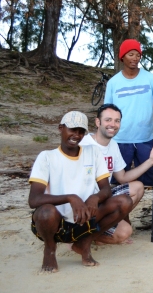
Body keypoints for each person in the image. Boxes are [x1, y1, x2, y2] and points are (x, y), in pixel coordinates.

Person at [28, 111, 133, 273]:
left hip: (86, 217)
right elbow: (34, 200)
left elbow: (106, 189)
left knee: (124, 202)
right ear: (61, 128)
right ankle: (49, 249)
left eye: (81, 131)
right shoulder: (47, 157)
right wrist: (71, 198)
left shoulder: (93, 152)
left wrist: (94, 198)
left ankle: (84, 243)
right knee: (45, 212)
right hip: (57, 221)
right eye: (72, 129)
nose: (76, 135)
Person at [80, 103, 153, 244]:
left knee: (138, 186)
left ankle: (102, 229)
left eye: (117, 121)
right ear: (98, 122)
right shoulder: (83, 144)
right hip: (84, 202)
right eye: (108, 120)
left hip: (103, 198)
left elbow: (123, 178)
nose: (113, 124)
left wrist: (150, 161)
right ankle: (82, 235)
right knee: (124, 232)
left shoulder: (113, 145)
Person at [104, 39, 153, 186]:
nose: (135, 58)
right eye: (131, 54)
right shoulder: (113, 83)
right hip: (120, 139)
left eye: (138, 55)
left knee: (151, 180)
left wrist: (144, 116)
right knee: (116, 181)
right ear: (122, 57)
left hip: (145, 138)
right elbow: (107, 111)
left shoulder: (151, 79)